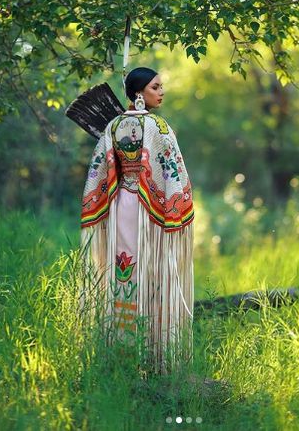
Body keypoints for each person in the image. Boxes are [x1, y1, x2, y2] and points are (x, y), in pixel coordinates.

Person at [79, 67, 194, 377]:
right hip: (150, 208)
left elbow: (100, 168)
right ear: (140, 93)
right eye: (156, 87)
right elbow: (172, 171)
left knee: (123, 272)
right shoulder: (158, 126)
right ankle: (155, 350)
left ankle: (123, 348)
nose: (162, 91)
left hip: (121, 205)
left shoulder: (114, 125)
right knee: (153, 269)